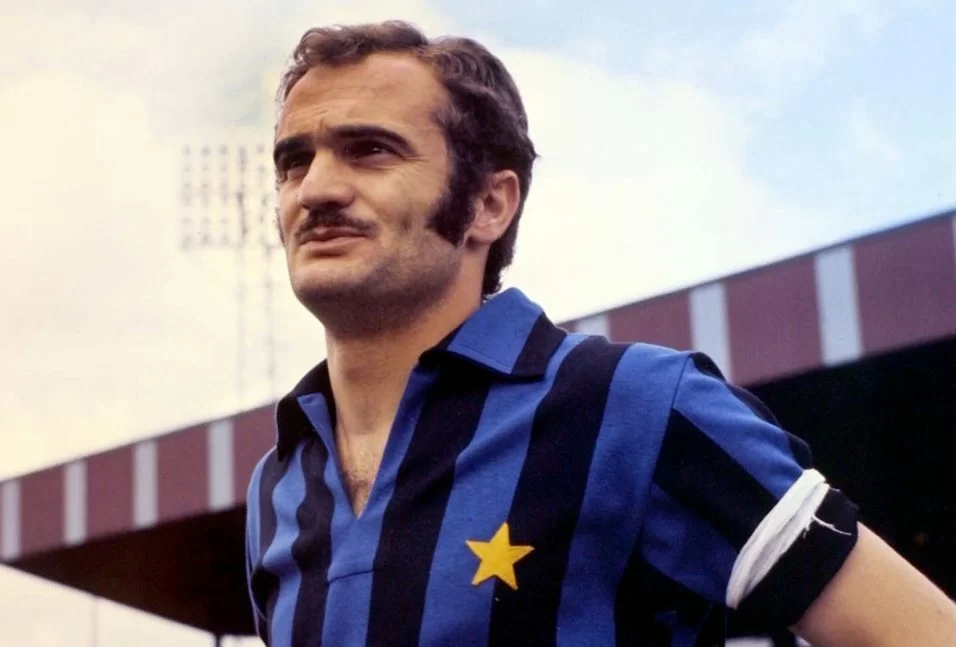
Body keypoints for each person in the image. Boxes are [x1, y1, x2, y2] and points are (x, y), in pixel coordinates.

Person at [244, 20, 956, 647]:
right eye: (294, 161)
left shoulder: (642, 406)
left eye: (370, 150)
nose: (316, 189)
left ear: (489, 203)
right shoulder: (276, 486)